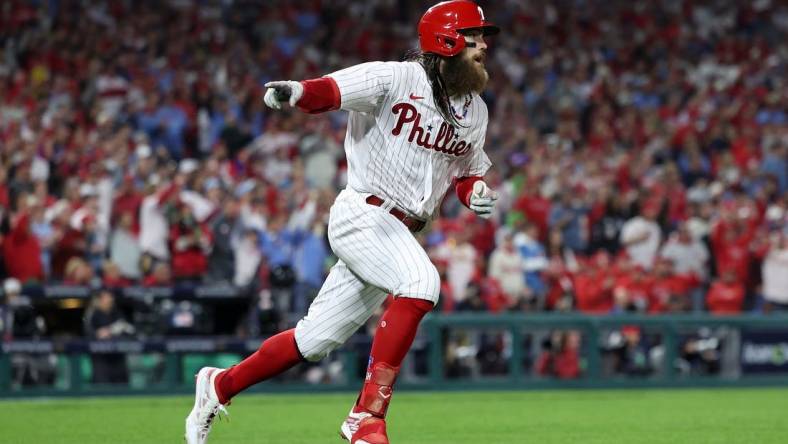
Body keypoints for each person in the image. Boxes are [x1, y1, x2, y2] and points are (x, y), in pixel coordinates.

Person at [185, 2, 499, 443]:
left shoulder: (476, 111)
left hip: (396, 233)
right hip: (363, 214)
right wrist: (295, 92)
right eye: (474, 35)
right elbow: (330, 90)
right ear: (446, 40)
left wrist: (476, 192)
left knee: (313, 341)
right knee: (421, 284)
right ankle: (366, 417)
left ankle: (218, 385)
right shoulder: (396, 78)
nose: (484, 44)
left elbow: (467, 172)